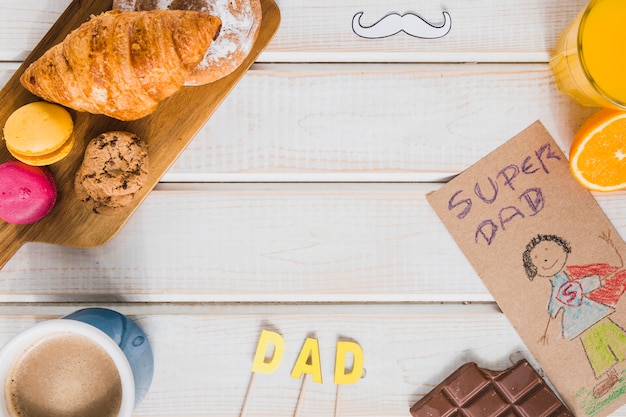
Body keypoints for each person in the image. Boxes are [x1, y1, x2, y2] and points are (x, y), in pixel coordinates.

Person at [522, 233, 626, 397]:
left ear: (562, 248)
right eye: (537, 258)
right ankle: (611, 375)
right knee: (596, 349)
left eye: (548, 250)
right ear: (534, 268)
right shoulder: (556, 290)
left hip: (593, 314)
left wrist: (617, 265)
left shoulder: (572, 279)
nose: (546, 259)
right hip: (580, 324)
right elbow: (552, 310)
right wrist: (544, 332)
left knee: (613, 335)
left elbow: (591, 282)